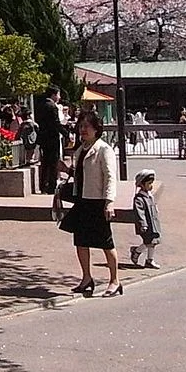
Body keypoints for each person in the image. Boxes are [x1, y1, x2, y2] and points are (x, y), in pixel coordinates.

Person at [56, 110, 121, 297]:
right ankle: (86, 278)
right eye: (81, 126)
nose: (83, 130)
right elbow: (80, 175)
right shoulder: (81, 149)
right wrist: (66, 169)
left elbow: (110, 177)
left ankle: (114, 280)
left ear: (96, 128)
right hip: (82, 199)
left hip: (97, 201)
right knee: (81, 241)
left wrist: (109, 202)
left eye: (87, 126)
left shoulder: (103, 149)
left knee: (106, 242)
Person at [129, 169, 161, 268]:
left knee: (154, 241)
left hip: (153, 223)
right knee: (148, 242)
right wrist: (143, 224)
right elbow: (140, 213)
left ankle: (149, 260)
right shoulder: (139, 198)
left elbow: (153, 206)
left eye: (152, 183)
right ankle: (137, 251)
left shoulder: (150, 196)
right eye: (149, 183)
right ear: (142, 185)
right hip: (147, 225)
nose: (151, 185)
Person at [37, 87, 64, 195]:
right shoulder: (52, 106)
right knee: (53, 163)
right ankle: (51, 187)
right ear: (53, 95)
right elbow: (56, 124)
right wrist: (67, 133)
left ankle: (43, 185)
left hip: (43, 138)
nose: (59, 97)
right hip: (52, 138)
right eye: (58, 94)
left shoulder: (40, 105)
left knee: (45, 163)